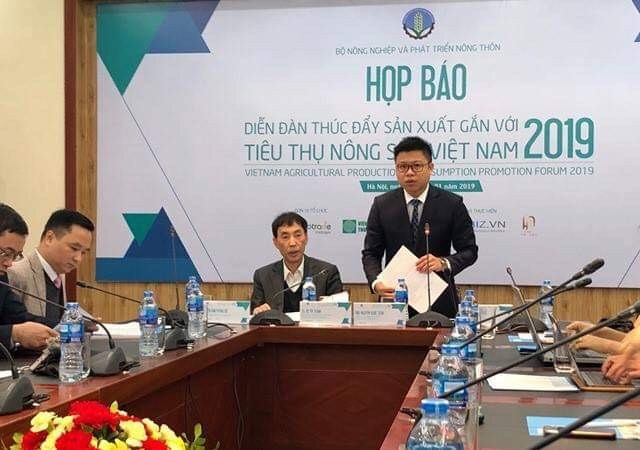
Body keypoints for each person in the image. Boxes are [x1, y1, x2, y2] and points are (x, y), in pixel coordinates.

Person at [362, 136, 478, 318]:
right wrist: (376, 282)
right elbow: (371, 253)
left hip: (438, 302)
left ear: (430, 167)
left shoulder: (452, 203)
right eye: (402, 167)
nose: (409, 173)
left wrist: (443, 263)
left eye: (416, 166)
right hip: (395, 300)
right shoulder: (382, 204)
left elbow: (469, 251)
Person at [8, 209, 94, 325]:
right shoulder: (16, 273)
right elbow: (11, 324)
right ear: (49, 238)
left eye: (83, 252)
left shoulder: (59, 274)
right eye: (74, 248)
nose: (78, 258)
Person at [251, 212, 343, 314]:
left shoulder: (326, 273)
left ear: (306, 238)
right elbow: (255, 313)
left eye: (298, 235)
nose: (292, 243)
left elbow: (339, 313)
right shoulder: (263, 276)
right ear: (276, 242)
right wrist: (258, 312)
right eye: (285, 237)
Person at [0, 203, 58, 351]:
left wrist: (67, 326)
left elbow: (20, 316)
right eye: (6, 253)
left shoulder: (1, 279)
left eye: (15, 255)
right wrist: (14, 333)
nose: (9, 263)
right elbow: (16, 330)